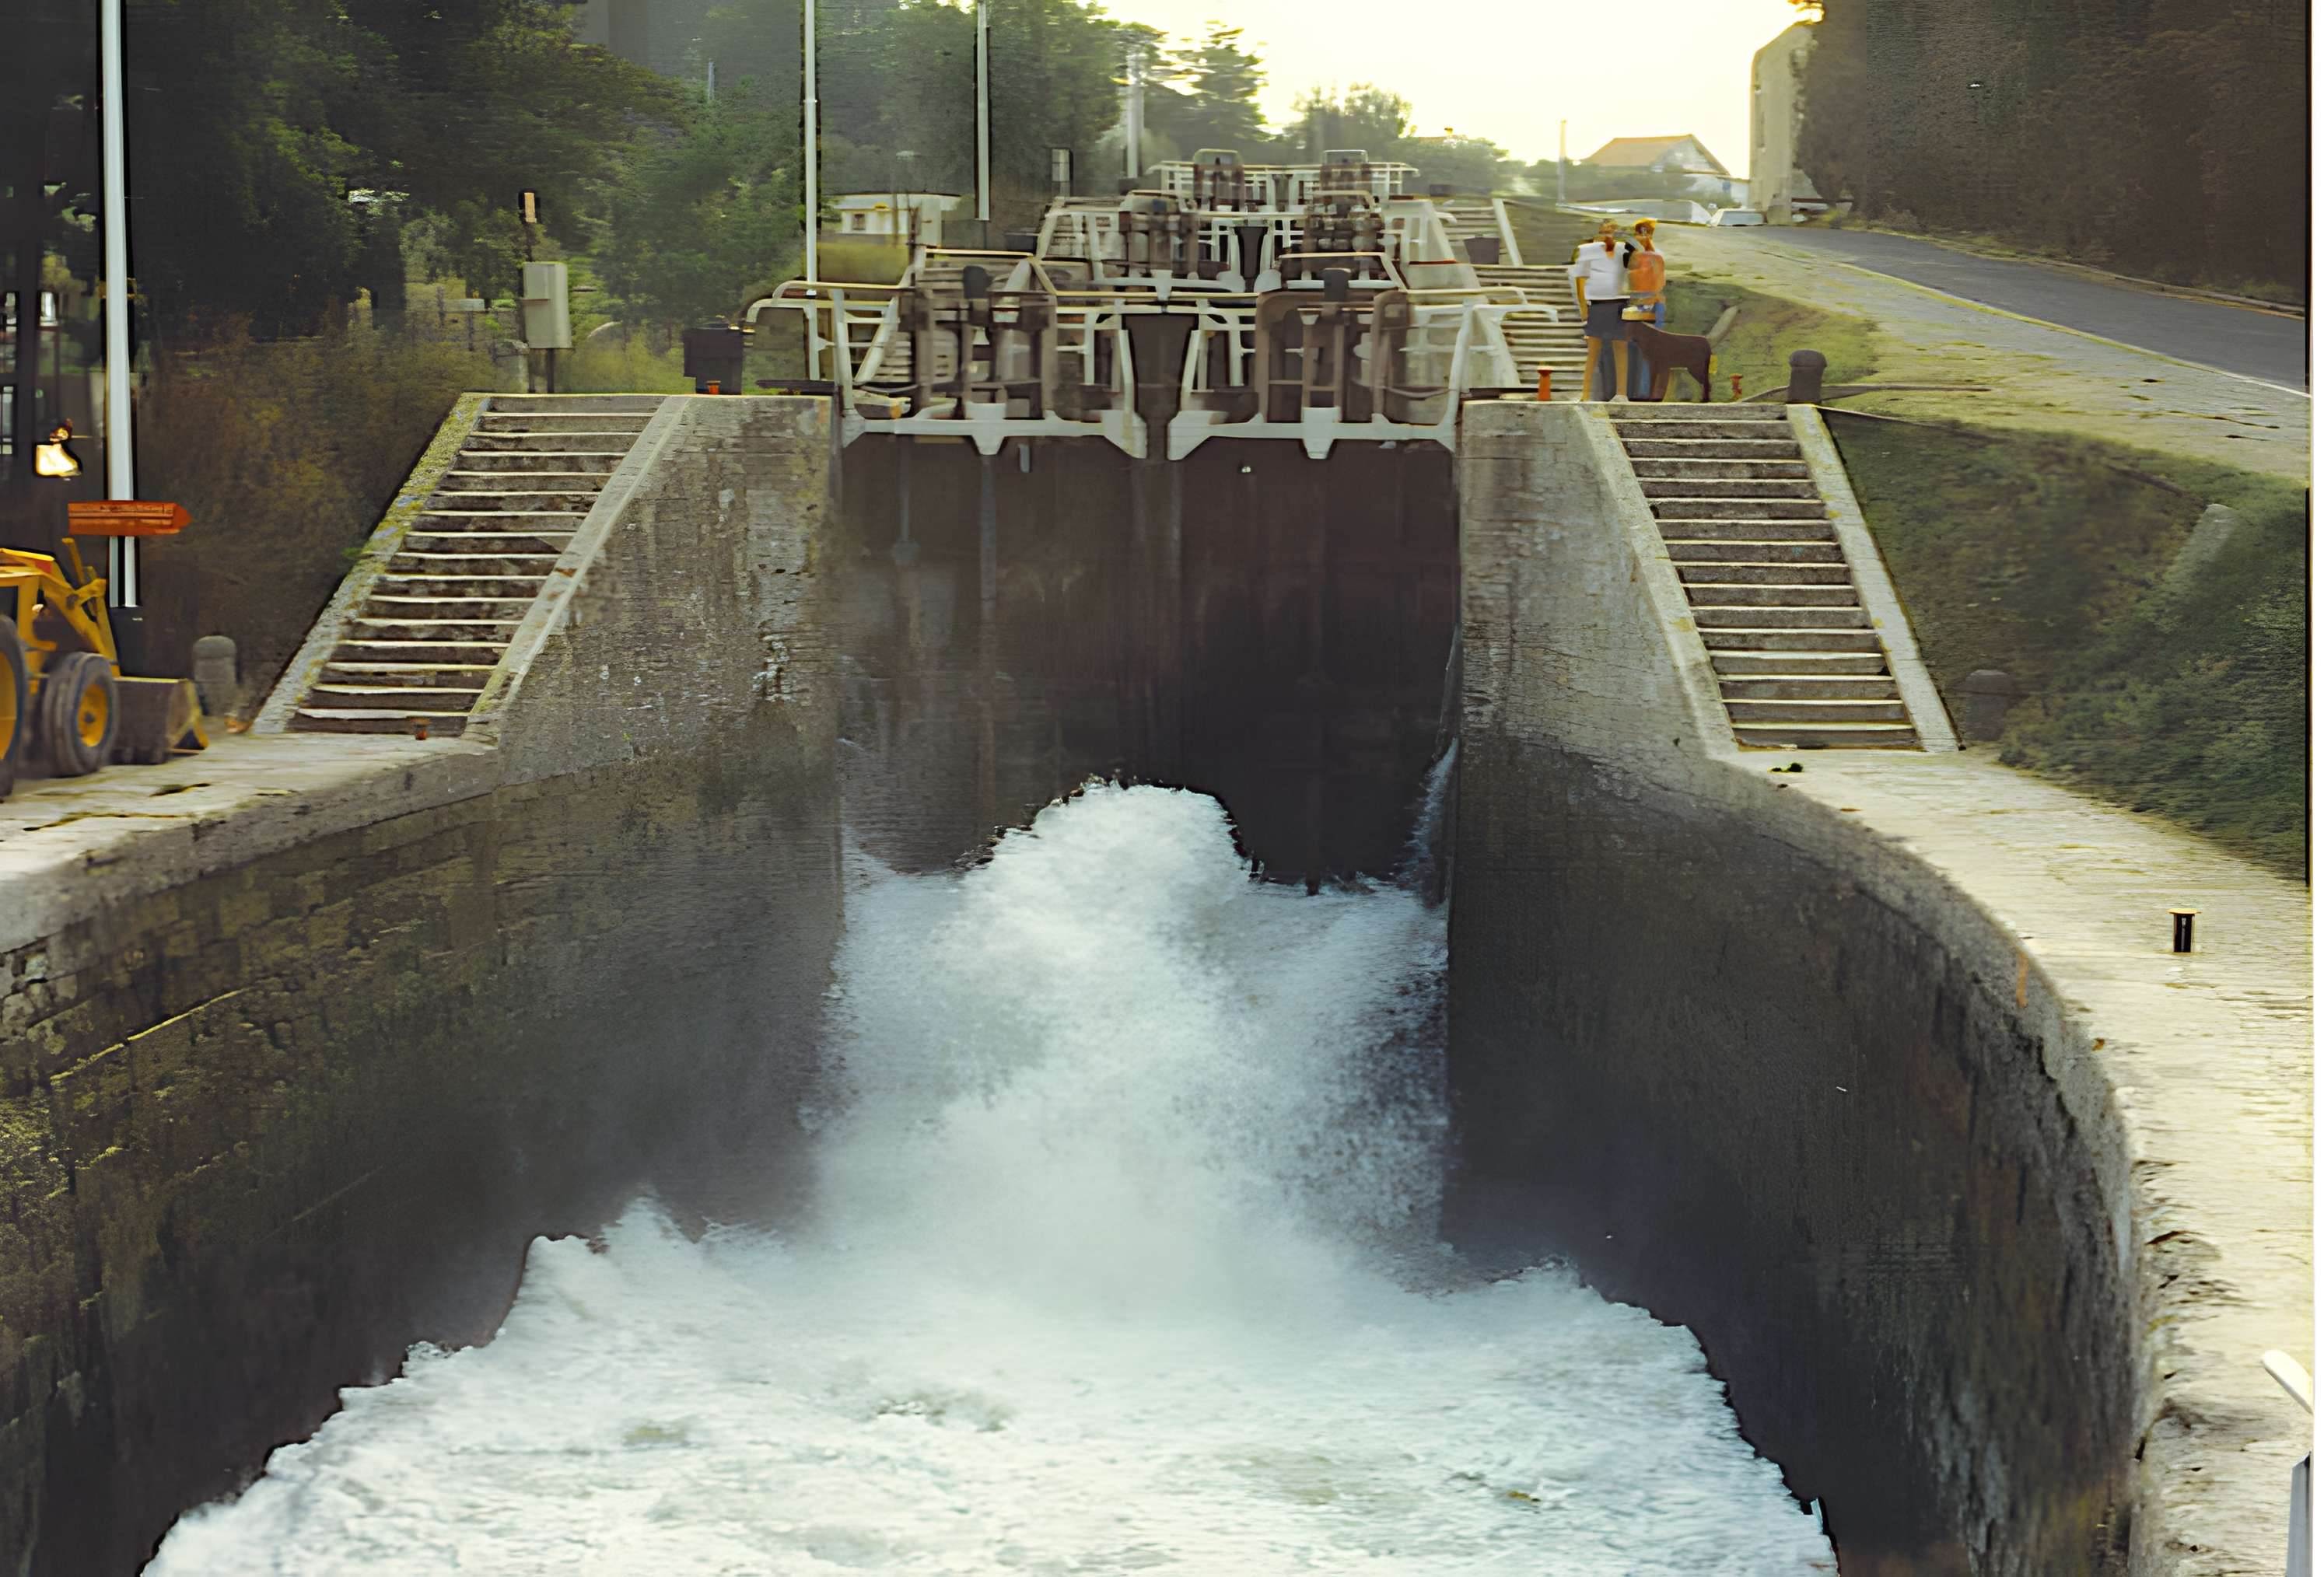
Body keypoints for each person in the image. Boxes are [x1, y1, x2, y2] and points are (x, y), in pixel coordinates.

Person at [1566, 219, 1632, 401]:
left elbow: (1636, 267)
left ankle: (1622, 393)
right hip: (1597, 303)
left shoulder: (1624, 249)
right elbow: (1581, 279)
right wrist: (1583, 308)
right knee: (1593, 350)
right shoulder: (1588, 250)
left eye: (1612, 231)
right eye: (1604, 231)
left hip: (1620, 302)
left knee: (1621, 348)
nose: (1608, 235)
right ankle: (1585, 394)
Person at [1622, 219, 1668, 399]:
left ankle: (1647, 391)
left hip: (1652, 302)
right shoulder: (1631, 258)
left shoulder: (1655, 257)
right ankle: (1633, 389)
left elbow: (1659, 283)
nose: (1643, 237)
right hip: (1635, 301)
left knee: (1652, 347)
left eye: (1646, 233)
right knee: (1632, 347)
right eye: (1639, 233)